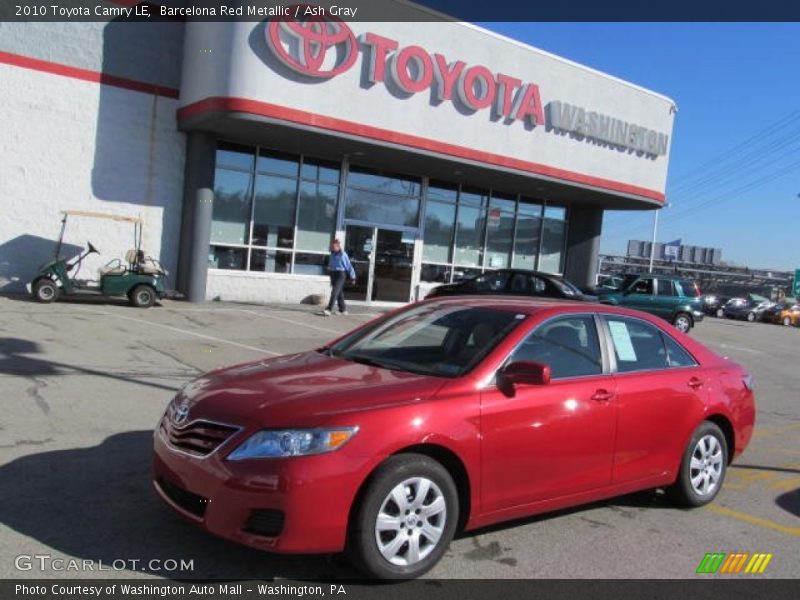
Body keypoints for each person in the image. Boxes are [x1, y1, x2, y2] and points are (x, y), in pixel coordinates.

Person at [322, 239, 356, 316]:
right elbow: (331, 264)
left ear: (338, 246)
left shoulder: (343, 255)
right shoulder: (332, 254)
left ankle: (329, 309)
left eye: (334, 247)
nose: (332, 248)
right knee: (339, 292)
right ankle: (343, 309)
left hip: (341, 274)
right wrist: (329, 269)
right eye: (332, 247)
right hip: (333, 274)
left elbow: (349, 266)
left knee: (334, 292)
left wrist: (353, 277)